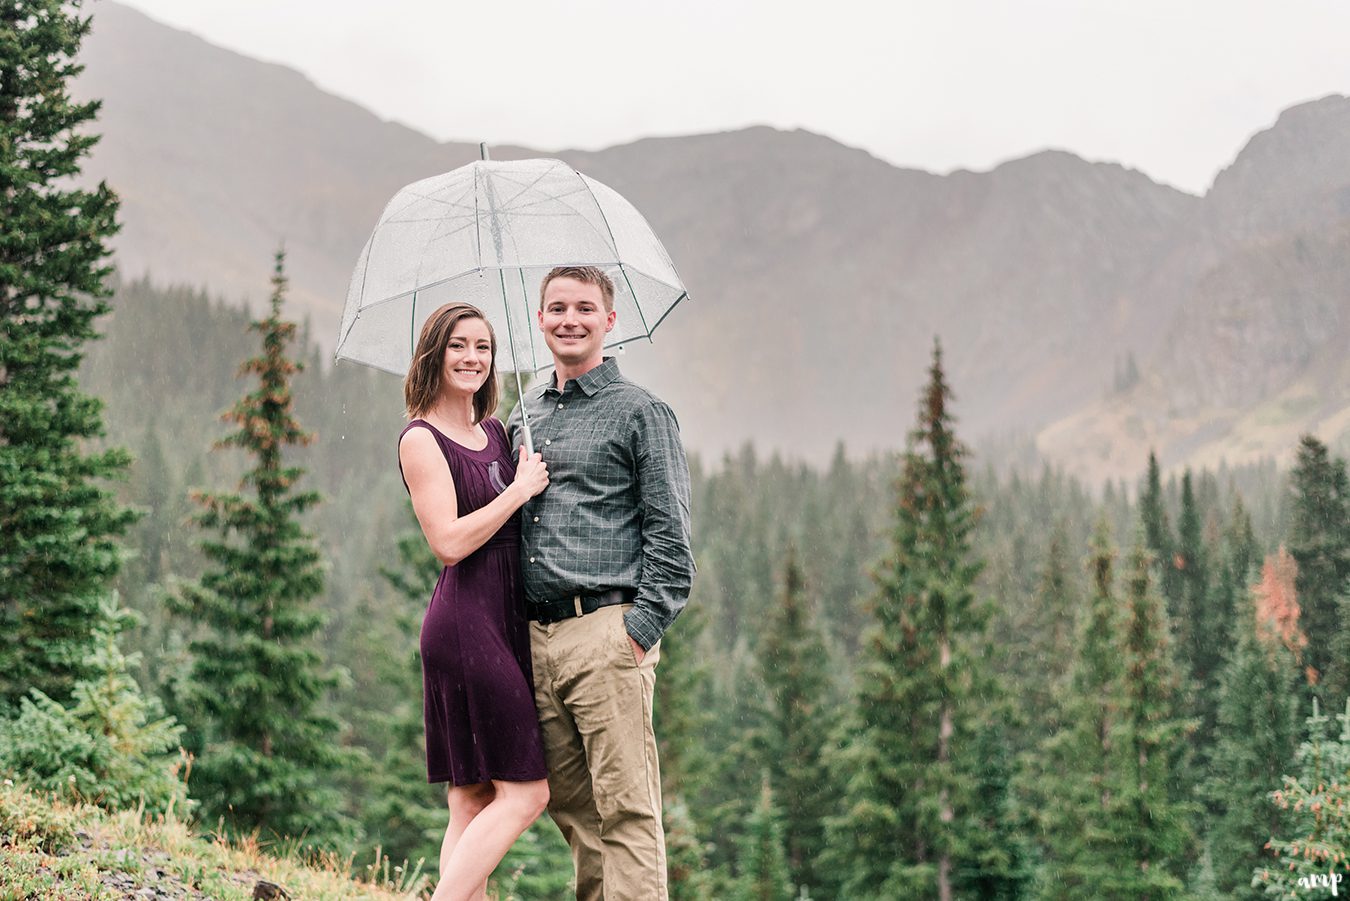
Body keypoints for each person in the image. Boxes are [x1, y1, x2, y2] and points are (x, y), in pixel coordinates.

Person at [507, 265, 695, 901]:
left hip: (606, 633)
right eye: (556, 308)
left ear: (609, 320)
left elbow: (672, 543)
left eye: (584, 308)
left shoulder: (642, 412)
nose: (569, 320)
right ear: (539, 319)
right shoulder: (524, 413)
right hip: (537, 639)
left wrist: (634, 636)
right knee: (576, 817)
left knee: (628, 811)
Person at [397, 301, 552, 901]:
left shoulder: (493, 432)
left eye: (483, 347)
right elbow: (449, 542)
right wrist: (516, 491)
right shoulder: (420, 439)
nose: (472, 358)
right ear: (435, 355)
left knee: (471, 796)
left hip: (503, 618)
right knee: (527, 793)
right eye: (459, 346)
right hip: (465, 626)